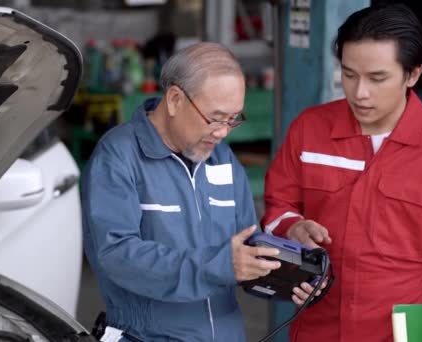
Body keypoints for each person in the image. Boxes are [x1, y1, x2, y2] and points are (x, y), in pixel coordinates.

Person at [261, 4, 422, 342]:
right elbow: (276, 206)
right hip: (320, 324)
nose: (359, 92)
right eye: (349, 74)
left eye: (377, 78)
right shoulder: (310, 129)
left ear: (412, 74)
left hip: (406, 329)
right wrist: (293, 227)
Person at [81, 42, 284, 342]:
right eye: (215, 118)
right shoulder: (119, 156)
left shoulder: (222, 158)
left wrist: (291, 273)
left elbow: (245, 245)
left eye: (233, 119)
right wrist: (216, 267)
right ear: (175, 99)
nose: (223, 132)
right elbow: (117, 254)